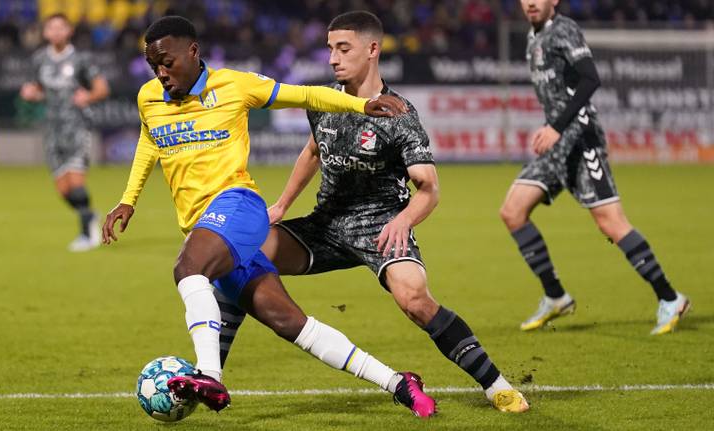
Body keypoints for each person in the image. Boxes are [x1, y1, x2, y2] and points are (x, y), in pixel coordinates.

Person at [101, 16, 437, 417]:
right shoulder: (149, 98)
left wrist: (361, 104)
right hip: (207, 226)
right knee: (292, 324)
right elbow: (148, 139)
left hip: (237, 206)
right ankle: (400, 384)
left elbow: (306, 96)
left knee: (188, 269)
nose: (160, 72)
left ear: (192, 52)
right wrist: (128, 199)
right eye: (152, 65)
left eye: (167, 62)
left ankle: (210, 374)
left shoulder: (235, 85)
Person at [248, 11, 527, 413]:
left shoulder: (399, 114)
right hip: (324, 226)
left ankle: (496, 385)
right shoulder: (325, 102)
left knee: (415, 300)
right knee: (238, 256)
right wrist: (282, 205)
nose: (333, 59)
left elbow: (429, 188)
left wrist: (403, 220)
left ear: (373, 49)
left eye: (343, 49)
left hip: (381, 227)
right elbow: (312, 151)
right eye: (330, 49)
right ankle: (213, 374)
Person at [499, 0, 690, 334]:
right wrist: (553, 131)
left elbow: (591, 79)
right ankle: (556, 296)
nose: (530, 2)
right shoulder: (534, 38)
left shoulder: (564, 30)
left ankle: (670, 297)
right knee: (512, 212)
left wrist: (556, 126)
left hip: (580, 140)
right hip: (556, 147)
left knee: (612, 224)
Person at [20, 13, 110, 252]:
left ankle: (86, 234)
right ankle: (90, 215)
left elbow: (102, 88)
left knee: (77, 182)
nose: (57, 32)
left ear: (69, 31)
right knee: (63, 189)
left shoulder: (81, 59)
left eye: (61, 27)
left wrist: (88, 96)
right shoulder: (39, 60)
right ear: (46, 33)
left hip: (77, 126)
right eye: (52, 28)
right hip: (52, 129)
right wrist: (31, 94)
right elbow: (37, 90)